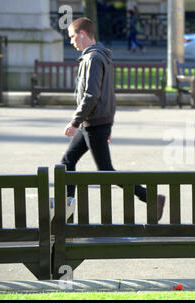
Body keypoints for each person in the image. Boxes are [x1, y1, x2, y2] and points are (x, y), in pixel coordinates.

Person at [62, 17, 165, 221]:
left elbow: (92, 95)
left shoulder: (93, 58)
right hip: (94, 123)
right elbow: (108, 94)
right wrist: (106, 124)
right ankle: (67, 212)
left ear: (82, 34)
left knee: (106, 171)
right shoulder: (98, 56)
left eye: (72, 37)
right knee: (67, 161)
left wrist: (75, 122)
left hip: (93, 123)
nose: (71, 41)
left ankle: (150, 197)